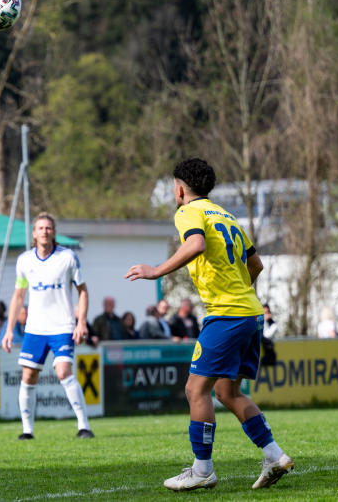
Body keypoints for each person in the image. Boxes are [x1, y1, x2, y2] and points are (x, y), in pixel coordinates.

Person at [126, 158, 293, 491]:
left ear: (179, 189)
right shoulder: (226, 215)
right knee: (227, 391)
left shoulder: (189, 212)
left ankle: (202, 469)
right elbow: (256, 265)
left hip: (227, 314)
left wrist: (156, 271)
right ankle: (274, 455)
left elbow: (196, 244)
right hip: (251, 313)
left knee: (195, 389)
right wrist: (238, 291)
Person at [2, 213, 93, 440]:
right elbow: (18, 295)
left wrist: (81, 322)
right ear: (34, 233)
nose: (44, 231)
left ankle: (84, 426)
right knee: (28, 376)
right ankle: (27, 431)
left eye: (48, 228)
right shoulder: (24, 261)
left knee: (63, 371)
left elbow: (82, 291)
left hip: (63, 326)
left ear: (54, 232)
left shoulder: (68, 257)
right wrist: (9, 329)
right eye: (40, 228)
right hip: (35, 328)